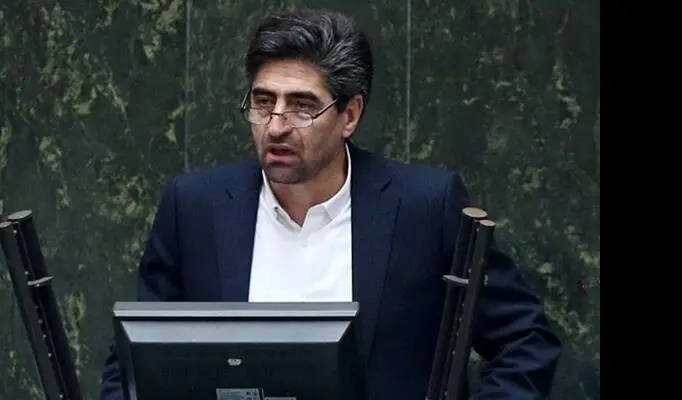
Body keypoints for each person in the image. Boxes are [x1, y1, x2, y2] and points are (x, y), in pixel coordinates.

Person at [99, 8, 561, 400]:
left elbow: (525, 340)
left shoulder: (426, 206)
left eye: (302, 106)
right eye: (263, 102)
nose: (276, 125)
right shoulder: (196, 207)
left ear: (350, 115)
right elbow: (132, 361)